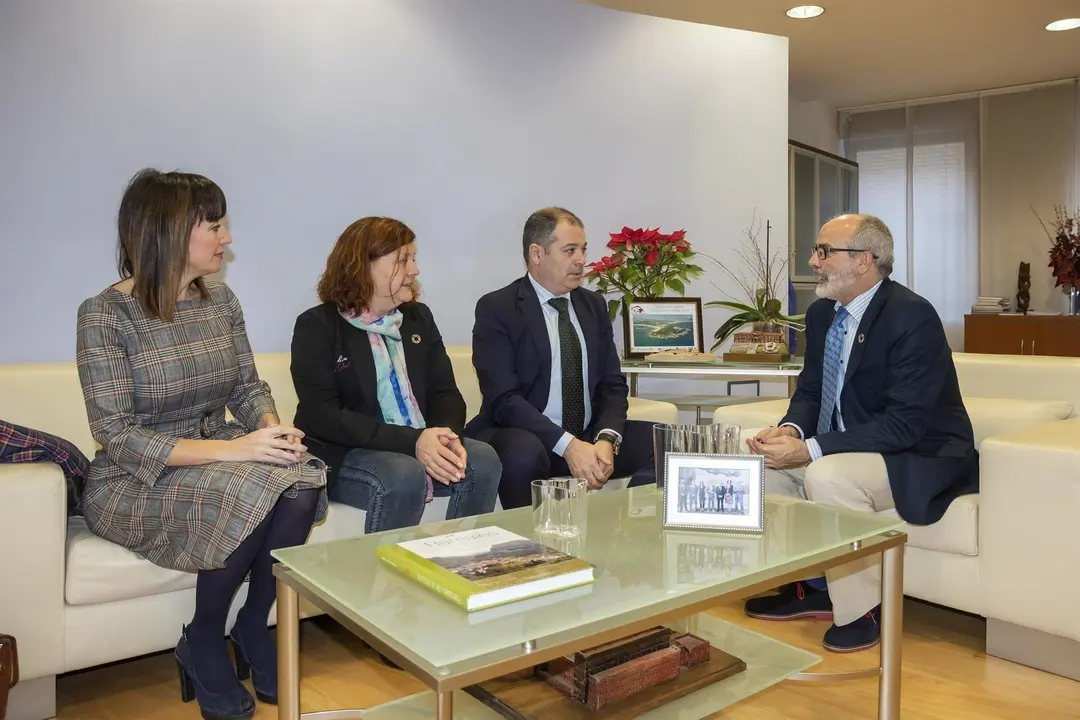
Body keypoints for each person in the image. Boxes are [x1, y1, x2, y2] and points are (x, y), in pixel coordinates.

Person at [76, 169, 327, 718]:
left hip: (218, 450)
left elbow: (247, 385)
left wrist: (270, 427)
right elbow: (116, 436)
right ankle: (205, 638)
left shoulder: (219, 300)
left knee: (302, 476)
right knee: (250, 484)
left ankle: (253, 625)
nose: (227, 238)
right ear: (168, 231)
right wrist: (241, 451)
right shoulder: (106, 315)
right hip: (137, 475)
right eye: (214, 225)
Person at [743, 213, 978, 653]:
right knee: (762, 469)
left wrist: (809, 450)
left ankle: (862, 609)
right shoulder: (820, 314)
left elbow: (904, 425)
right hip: (852, 447)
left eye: (824, 251)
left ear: (864, 261)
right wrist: (789, 432)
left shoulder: (912, 316)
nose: (813, 261)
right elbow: (811, 391)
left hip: (921, 454)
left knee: (826, 476)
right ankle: (811, 587)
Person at [290, 216, 501, 535]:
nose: (414, 270)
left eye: (413, 259)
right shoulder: (317, 326)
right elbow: (324, 416)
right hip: (346, 452)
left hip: (416, 441)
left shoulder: (417, 318)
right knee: (403, 473)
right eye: (403, 260)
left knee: (483, 459)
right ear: (364, 266)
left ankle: (461, 568)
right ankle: (383, 584)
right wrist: (414, 442)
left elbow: (445, 391)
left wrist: (444, 437)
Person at [465, 207, 655, 509]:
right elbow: (503, 399)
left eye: (583, 249)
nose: (581, 260)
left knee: (666, 444)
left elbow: (612, 386)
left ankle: (620, 535)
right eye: (570, 251)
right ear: (537, 253)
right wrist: (568, 446)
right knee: (522, 452)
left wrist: (606, 440)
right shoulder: (498, 308)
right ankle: (532, 549)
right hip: (526, 435)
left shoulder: (592, 305)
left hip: (588, 435)